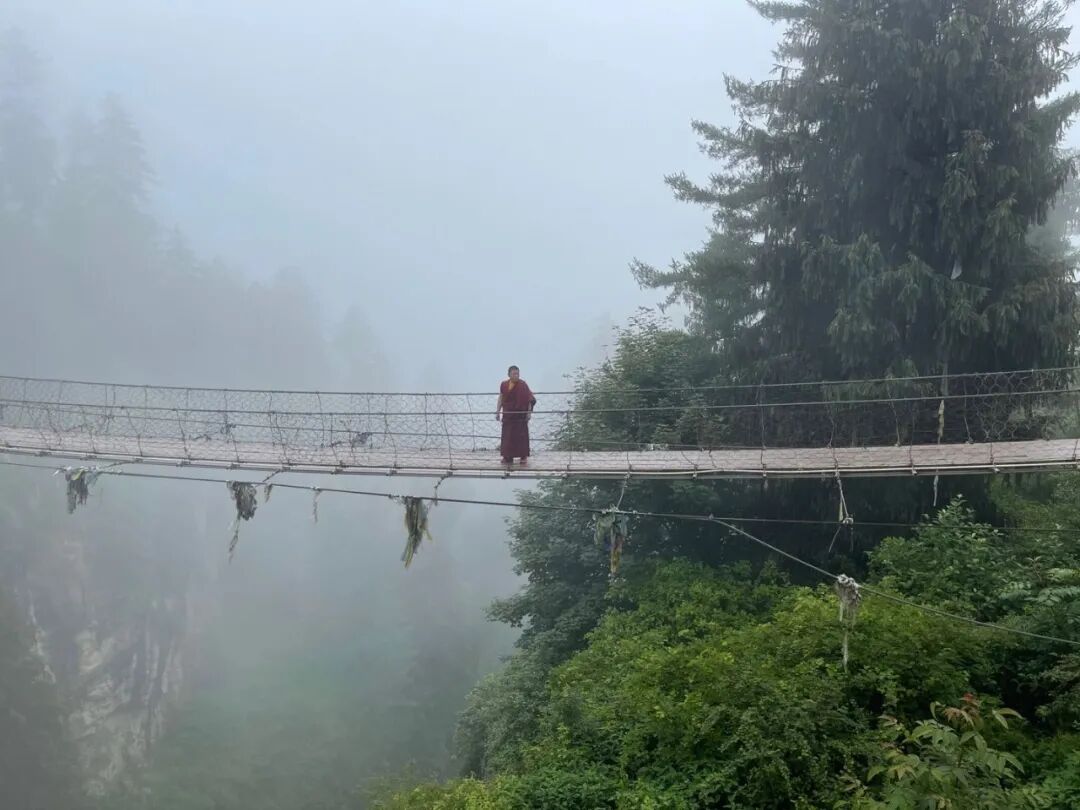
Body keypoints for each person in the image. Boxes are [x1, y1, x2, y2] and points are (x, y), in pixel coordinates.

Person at [496, 365, 536, 466]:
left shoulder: (523, 385)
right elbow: (501, 397)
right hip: (508, 415)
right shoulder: (504, 385)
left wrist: (529, 413)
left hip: (520, 416)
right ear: (509, 375)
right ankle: (507, 457)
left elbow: (530, 399)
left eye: (517, 374)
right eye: (514, 374)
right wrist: (497, 411)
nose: (516, 376)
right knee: (507, 437)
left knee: (521, 437)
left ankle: (523, 457)